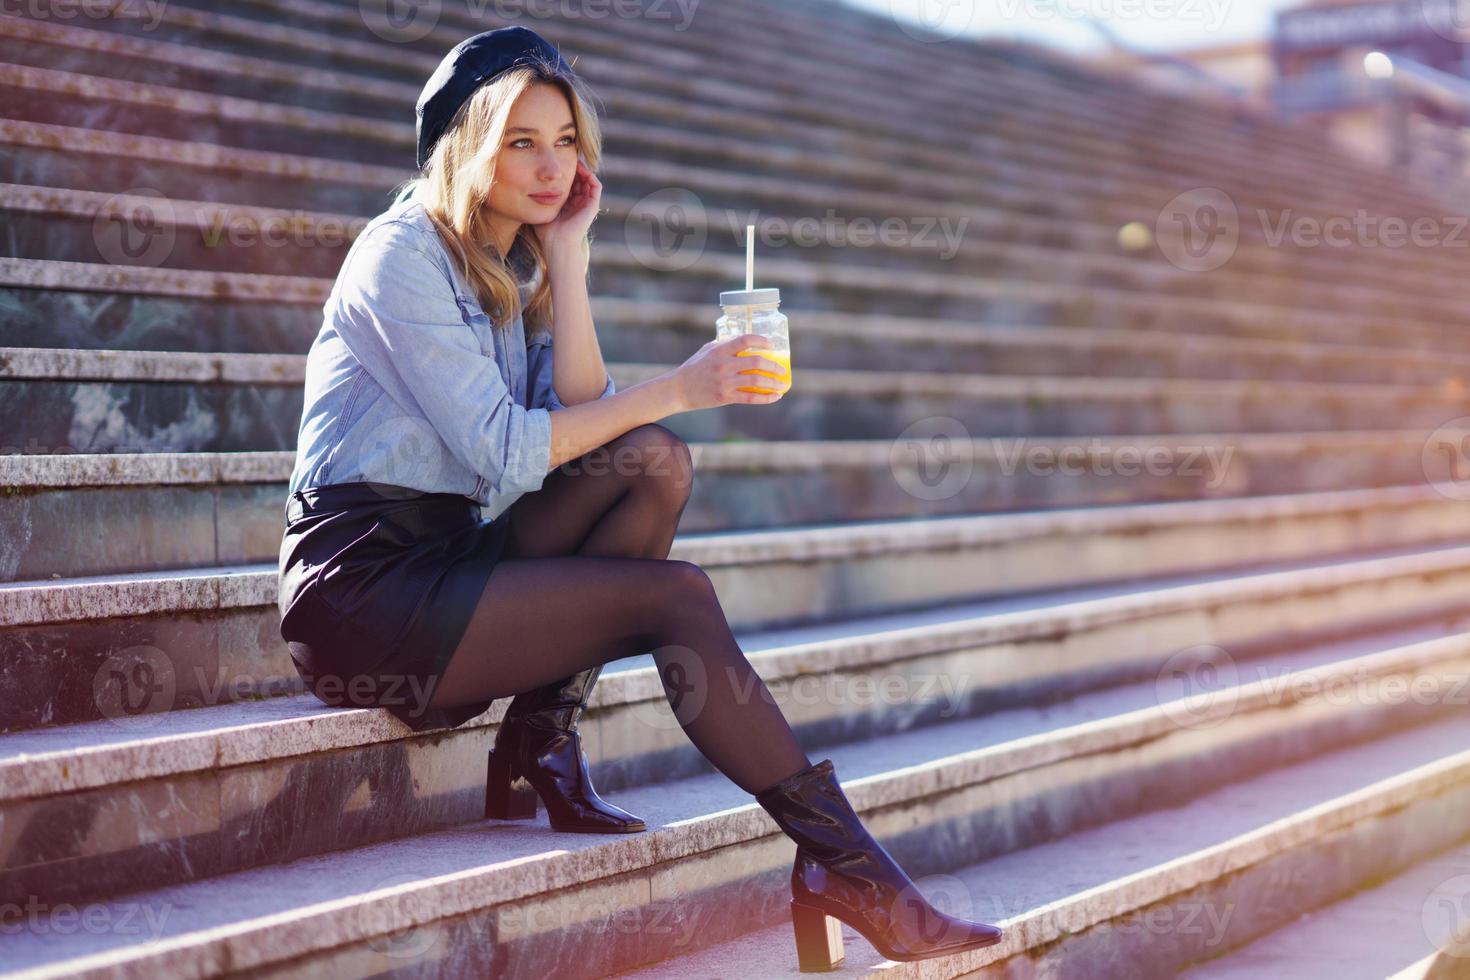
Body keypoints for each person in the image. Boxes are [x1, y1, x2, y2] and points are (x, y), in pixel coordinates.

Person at [277, 25, 1004, 971]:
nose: (550, 166)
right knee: (677, 594)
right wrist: (683, 385)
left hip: (451, 556)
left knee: (654, 461)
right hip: (363, 595)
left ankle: (536, 743)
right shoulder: (400, 254)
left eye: (566, 141)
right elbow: (505, 451)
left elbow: (587, 417)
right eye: (521, 141)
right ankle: (845, 866)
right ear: (467, 147)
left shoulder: (513, 263)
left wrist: (569, 260)